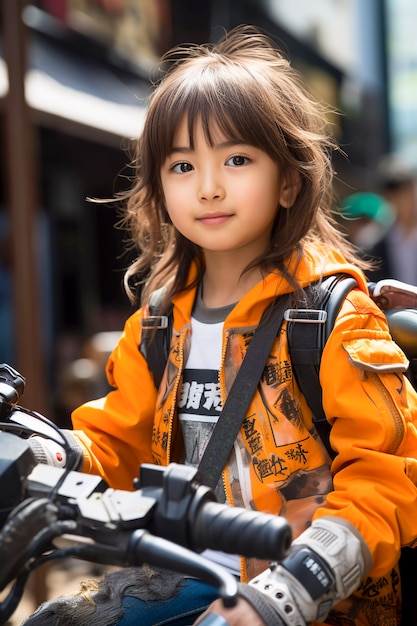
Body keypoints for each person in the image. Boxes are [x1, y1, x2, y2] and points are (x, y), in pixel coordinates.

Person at [25, 25, 417, 626]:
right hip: (183, 571)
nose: (208, 187)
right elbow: (115, 440)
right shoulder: (159, 316)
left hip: (314, 594)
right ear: (158, 185)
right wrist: (42, 454)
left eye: (236, 159)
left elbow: (387, 475)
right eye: (182, 165)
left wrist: (294, 587)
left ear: (288, 180)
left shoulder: (331, 314)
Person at [364, 155, 417, 284]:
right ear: (389, 198)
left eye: (411, 190)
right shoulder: (374, 246)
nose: (411, 199)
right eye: (402, 194)